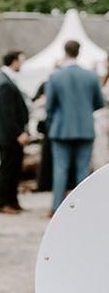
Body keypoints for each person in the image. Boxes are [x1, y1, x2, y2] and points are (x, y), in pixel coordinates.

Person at [46, 39, 106, 215]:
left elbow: (49, 105)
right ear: (78, 52)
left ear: (65, 52)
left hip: (61, 129)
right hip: (85, 128)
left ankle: (56, 207)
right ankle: (83, 208)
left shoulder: (55, 76)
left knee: (60, 169)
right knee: (83, 171)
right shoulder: (91, 76)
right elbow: (99, 102)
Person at [0, 51, 30, 214]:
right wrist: (18, 133)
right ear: (14, 62)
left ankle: (12, 200)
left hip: (12, 135)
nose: (22, 64)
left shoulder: (8, 80)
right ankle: (3, 202)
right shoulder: (4, 83)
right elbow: (7, 114)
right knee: (7, 169)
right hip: (9, 136)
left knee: (14, 169)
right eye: (21, 60)